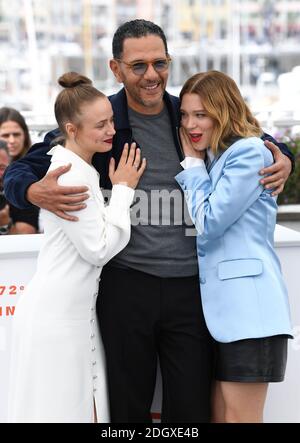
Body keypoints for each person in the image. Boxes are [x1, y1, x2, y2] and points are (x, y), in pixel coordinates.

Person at [4, 20, 294, 423]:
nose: (152, 75)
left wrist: (284, 156)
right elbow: (25, 168)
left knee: (190, 411)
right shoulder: (102, 120)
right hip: (126, 288)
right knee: (125, 409)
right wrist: (31, 192)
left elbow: (249, 137)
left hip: (192, 292)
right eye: (138, 65)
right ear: (116, 68)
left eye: (160, 62)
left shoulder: (190, 115)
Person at [7, 72, 145, 423]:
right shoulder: (69, 173)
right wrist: (124, 189)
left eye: (112, 121)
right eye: (101, 125)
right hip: (56, 319)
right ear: (72, 129)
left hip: (73, 315)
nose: (112, 131)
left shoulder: (77, 167)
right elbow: (98, 249)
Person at [176, 70, 293, 423]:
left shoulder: (248, 153)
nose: (190, 124)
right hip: (225, 318)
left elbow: (209, 222)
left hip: (252, 316)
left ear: (222, 111)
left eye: (201, 114)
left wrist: (193, 166)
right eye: (184, 115)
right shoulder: (217, 156)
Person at [0, 107, 39, 234]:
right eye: (5, 135)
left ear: (25, 136)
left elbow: (27, 233)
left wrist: (5, 223)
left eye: (16, 134)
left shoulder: (35, 170)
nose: (11, 140)